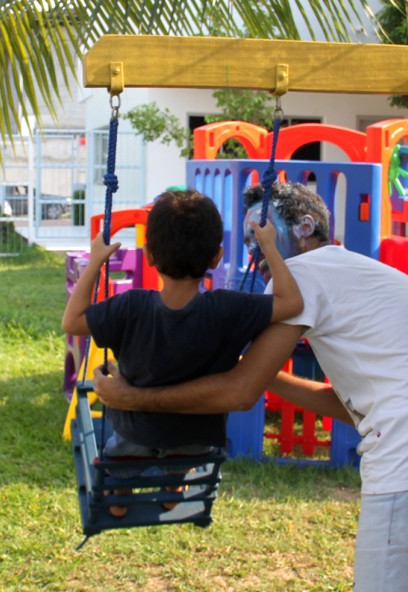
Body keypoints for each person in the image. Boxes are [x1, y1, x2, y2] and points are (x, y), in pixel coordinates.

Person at [93, 182, 408, 592]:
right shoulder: (359, 271)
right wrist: (246, 366)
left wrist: (133, 399)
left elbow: (239, 393)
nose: (254, 248)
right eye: (246, 239)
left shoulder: (299, 275)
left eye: (262, 232)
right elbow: (341, 403)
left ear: (302, 230)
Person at [61, 189, 304, 517]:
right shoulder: (227, 309)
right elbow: (292, 303)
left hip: (136, 432)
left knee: (119, 457)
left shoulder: (131, 307)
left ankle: (117, 497)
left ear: (148, 255)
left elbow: (72, 321)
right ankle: (174, 487)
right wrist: (270, 249)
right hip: (195, 441)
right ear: (216, 257)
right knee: (184, 454)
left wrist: (96, 262)